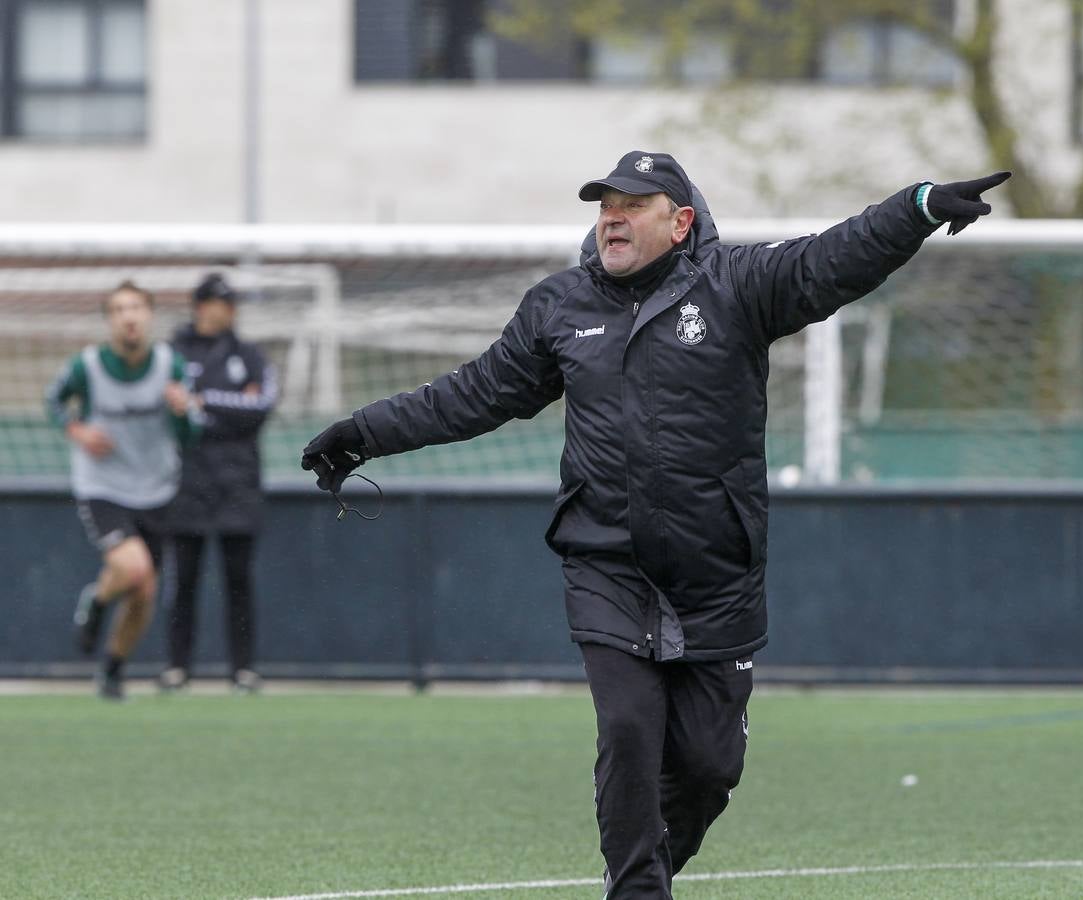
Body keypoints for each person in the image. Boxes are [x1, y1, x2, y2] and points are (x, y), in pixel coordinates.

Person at [301, 151, 1009, 898]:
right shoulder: (558, 306)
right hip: (605, 563)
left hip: (717, 573)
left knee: (707, 770)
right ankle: (636, 889)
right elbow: (473, 394)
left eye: (632, 204)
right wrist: (363, 431)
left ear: (679, 222)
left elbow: (832, 258)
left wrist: (919, 205)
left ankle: (650, 865)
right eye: (604, 203)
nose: (612, 215)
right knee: (631, 731)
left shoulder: (738, 287)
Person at [47, 280, 201, 700]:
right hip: (104, 486)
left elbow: (191, 434)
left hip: (157, 488)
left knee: (143, 591)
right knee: (135, 571)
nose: (128, 317)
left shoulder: (171, 365)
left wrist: (183, 412)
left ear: (149, 315)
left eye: (135, 308)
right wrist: (78, 431)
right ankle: (95, 603)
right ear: (110, 319)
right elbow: (54, 401)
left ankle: (113, 667)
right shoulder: (88, 366)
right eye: (118, 309)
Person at [160, 273, 277, 694]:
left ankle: (243, 669)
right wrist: (226, 408)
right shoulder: (172, 352)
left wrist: (202, 400)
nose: (222, 310)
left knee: (238, 579)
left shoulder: (249, 355)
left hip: (238, 482)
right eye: (214, 302)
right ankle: (177, 668)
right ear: (198, 305)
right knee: (184, 580)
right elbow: (168, 405)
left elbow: (260, 406)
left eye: (228, 303)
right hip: (186, 481)